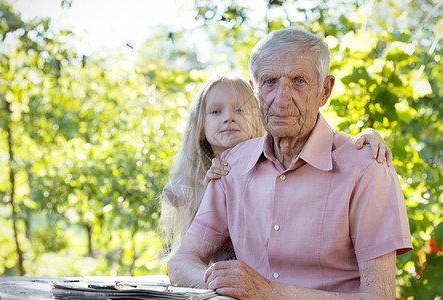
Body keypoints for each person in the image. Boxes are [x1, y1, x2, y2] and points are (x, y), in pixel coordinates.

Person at [167, 27, 412, 299]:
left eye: (298, 81)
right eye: (270, 81)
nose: (282, 100)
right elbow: (180, 262)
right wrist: (227, 286)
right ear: (254, 91)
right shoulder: (232, 165)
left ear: (325, 90)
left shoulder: (367, 168)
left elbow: (379, 296)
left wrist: (269, 292)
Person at [160, 74, 393, 263]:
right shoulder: (184, 186)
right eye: (215, 111)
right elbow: (190, 255)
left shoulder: (278, 166)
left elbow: (329, 143)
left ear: (260, 116)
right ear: (200, 126)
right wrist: (211, 192)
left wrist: (367, 136)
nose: (229, 118)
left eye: (240, 110)